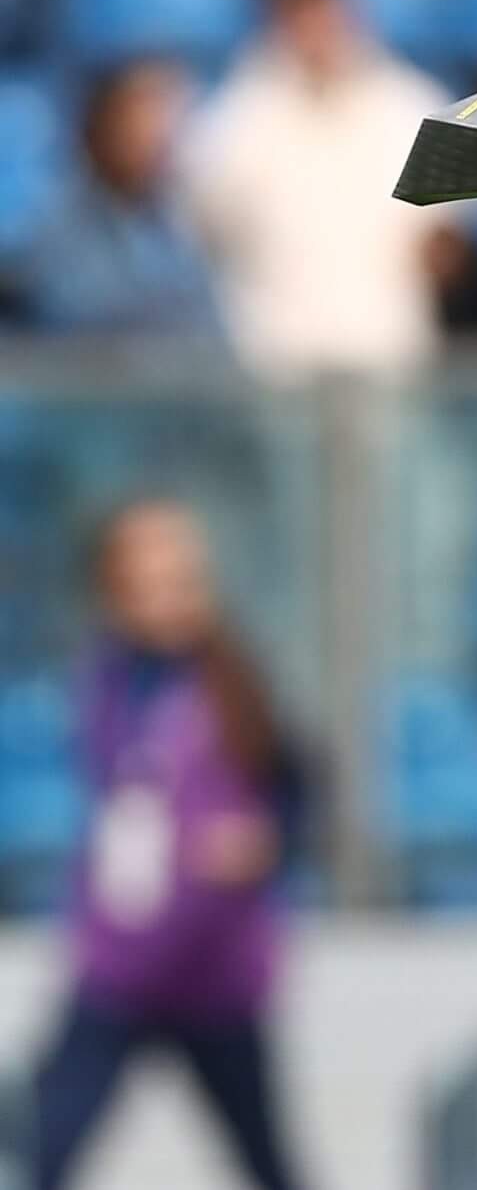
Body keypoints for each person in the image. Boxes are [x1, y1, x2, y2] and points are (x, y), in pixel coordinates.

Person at [34, 498, 306, 1190]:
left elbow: (294, 794)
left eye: (182, 577)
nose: (170, 597)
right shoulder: (104, 683)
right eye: (148, 581)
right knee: (48, 1147)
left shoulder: (237, 685)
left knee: (267, 1159)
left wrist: (263, 843)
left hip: (213, 971)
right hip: (121, 968)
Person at [178, 0, 458, 380]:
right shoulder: (234, 122)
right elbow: (202, 230)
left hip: (387, 354)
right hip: (274, 361)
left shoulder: (408, 105)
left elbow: (446, 242)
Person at [30, 58, 219, 335]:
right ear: (103, 124)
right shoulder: (60, 228)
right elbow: (81, 317)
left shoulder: (175, 225)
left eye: (165, 118)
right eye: (139, 119)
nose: (156, 136)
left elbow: (204, 323)